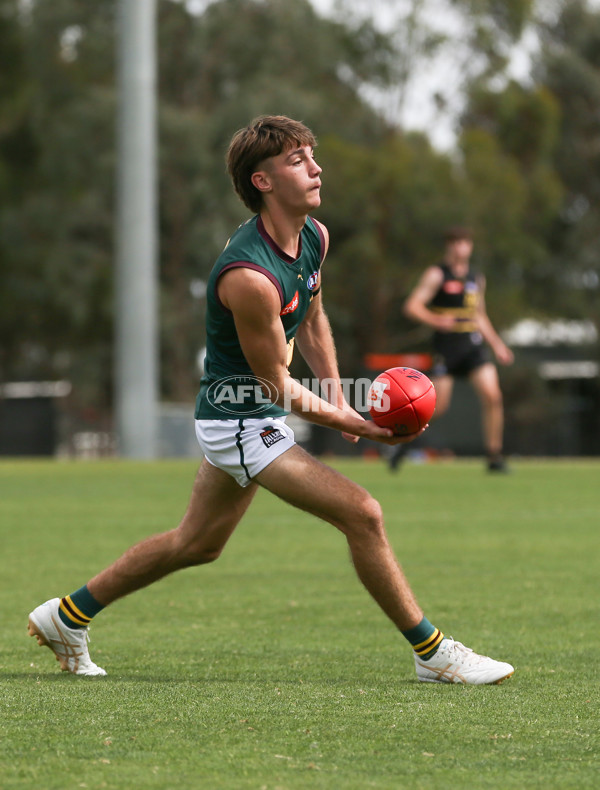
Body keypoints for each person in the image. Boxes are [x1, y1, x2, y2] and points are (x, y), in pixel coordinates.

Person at [28, 116, 513, 685]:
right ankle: (434, 654)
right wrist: (362, 423)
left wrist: (335, 391)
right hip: (238, 418)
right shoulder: (250, 277)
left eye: (313, 153)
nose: (315, 167)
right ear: (262, 181)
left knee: (197, 544)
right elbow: (273, 386)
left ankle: (67, 615)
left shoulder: (314, 237)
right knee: (364, 514)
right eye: (297, 160)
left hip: (252, 414)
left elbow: (311, 314)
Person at [389, 226, 514, 472]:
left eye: (464, 242)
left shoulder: (476, 278)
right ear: (448, 246)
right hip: (447, 347)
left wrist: (498, 345)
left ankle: (494, 457)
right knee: (437, 407)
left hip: (473, 345)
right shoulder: (437, 274)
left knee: (493, 396)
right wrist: (435, 320)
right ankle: (401, 443)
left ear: (470, 246)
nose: (460, 247)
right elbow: (412, 306)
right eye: (455, 243)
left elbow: (480, 315)